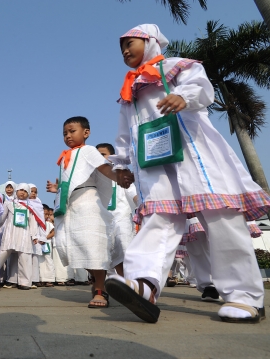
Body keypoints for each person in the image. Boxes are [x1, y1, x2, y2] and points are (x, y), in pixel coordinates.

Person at [104, 24, 270, 324]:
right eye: (122, 48)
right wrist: (122, 165)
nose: (126, 51)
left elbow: (201, 87)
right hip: (154, 160)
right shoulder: (129, 89)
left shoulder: (175, 67)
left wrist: (183, 97)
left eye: (131, 43)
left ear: (151, 41)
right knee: (159, 218)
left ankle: (245, 296)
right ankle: (145, 284)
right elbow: (124, 134)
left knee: (220, 216)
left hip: (195, 155)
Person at [46, 116, 119, 308]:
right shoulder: (65, 157)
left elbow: (104, 169)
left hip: (87, 201)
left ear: (86, 133)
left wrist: (120, 178)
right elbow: (69, 181)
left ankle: (100, 290)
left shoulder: (88, 150)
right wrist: (58, 192)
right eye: (64, 133)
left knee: (92, 246)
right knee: (71, 246)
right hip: (70, 205)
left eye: (72, 131)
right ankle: (99, 281)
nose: (68, 136)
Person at [96, 143, 138, 277]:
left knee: (124, 247)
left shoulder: (119, 173)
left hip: (121, 218)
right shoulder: (94, 177)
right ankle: (121, 282)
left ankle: (132, 281)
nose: (99, 157)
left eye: (103, 154)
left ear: (113, 157)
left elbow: (132, 192)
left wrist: (142, 204)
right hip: (103, 221)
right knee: (109, 254)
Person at [0, 183, 39, 290]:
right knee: (1, 256)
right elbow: (1, 219)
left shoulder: (30, 207)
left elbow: (33, 223)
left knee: (25, 259)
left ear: (28, 194)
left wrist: (34, 236)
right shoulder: (9, 204)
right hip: (9, 235)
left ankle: (24, 282)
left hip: (24, 236)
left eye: (25, 191)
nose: (22, 192)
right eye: (20, 190)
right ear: (16, 191)